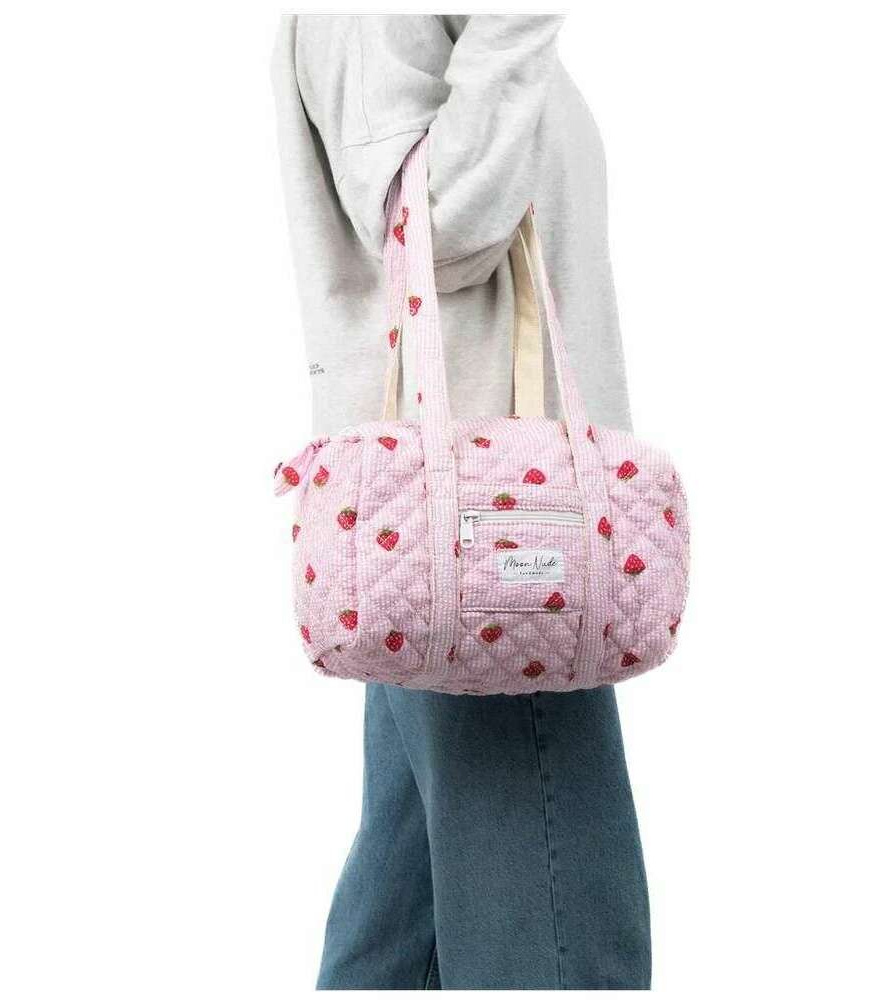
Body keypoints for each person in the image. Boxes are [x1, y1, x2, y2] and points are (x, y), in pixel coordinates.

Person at [272, 15, 652, 991]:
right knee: (563, 934)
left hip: (461, 543)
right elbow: (435, 240)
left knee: (402, 931)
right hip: (493, 552)